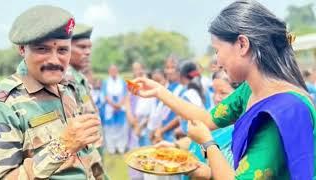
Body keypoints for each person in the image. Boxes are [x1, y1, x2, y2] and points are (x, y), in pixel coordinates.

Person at [128, 0, 316, 179]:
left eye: (217, 50)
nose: (217, 62)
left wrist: (208, 143)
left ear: (242, 44)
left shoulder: (283, 112)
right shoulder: (249, 90)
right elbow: (207, 119)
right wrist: (159, 91)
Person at [0, 5, 106, 179]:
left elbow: (86, 153)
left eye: (63, 50)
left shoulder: (68, 87)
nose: (55, 60)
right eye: (42, 49)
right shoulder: (3, 104)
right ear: (22, 49)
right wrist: (63, 146)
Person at [125, 62, 156, 180]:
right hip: (134, 124)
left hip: (145, 125)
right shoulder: (131, 85)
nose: (137, 71)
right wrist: (131, 117)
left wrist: (140, 124)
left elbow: (151, 109)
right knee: (134, 155)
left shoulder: (148, 84)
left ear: (143, 69)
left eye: (139, 69)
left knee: (146, 154)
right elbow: (127, 102)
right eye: (134, 69)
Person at [102, 65, 128, 154]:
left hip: (120, 107)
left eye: (115, 70)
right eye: (111, 70)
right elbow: (105, 95)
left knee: (121, 127)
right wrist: (113, 105)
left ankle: (120, 147)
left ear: (117, 71)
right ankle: (111, 148)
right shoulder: (105, 82)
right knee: (110, 128)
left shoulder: (122, 81)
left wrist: (119, 105)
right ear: (109, 71)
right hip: (110, 107)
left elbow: (125, 94)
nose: (113, 72)